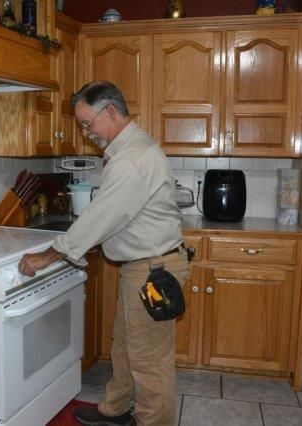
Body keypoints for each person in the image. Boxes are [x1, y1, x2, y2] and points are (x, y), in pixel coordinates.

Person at [18, 81, 188, 425]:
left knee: (149, 361)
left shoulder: (131, 160)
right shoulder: (131, 151)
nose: (85, 133)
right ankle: (115, 409)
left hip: (152, 271)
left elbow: (97, 220)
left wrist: (46, 257)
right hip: (144, 267)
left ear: (110, 112)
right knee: (126, 347)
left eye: (87, 123)